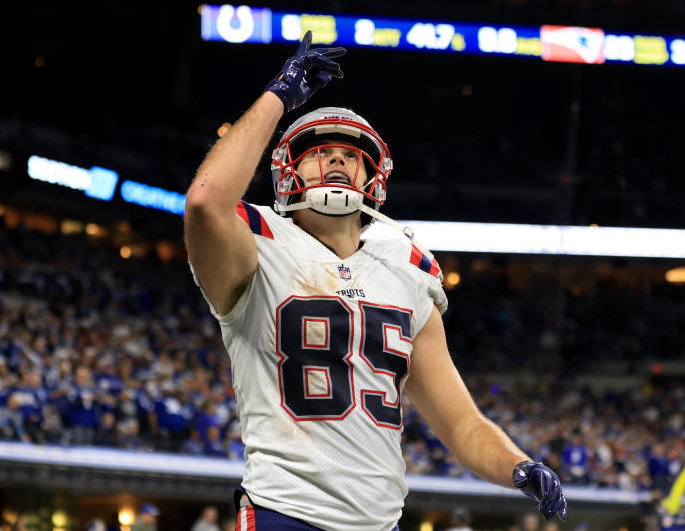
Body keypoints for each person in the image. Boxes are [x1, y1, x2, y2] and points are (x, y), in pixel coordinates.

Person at [185, 31, 566, 531]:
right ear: (285, 171)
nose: (338, 158)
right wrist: (279, 95)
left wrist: (518, 465)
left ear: (374, 176)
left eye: (351, 154)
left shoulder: (406, 266)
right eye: (318, 150)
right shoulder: (258, 242)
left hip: (379, 522)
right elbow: (204, 201)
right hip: (285, 512)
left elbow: (460, 422)